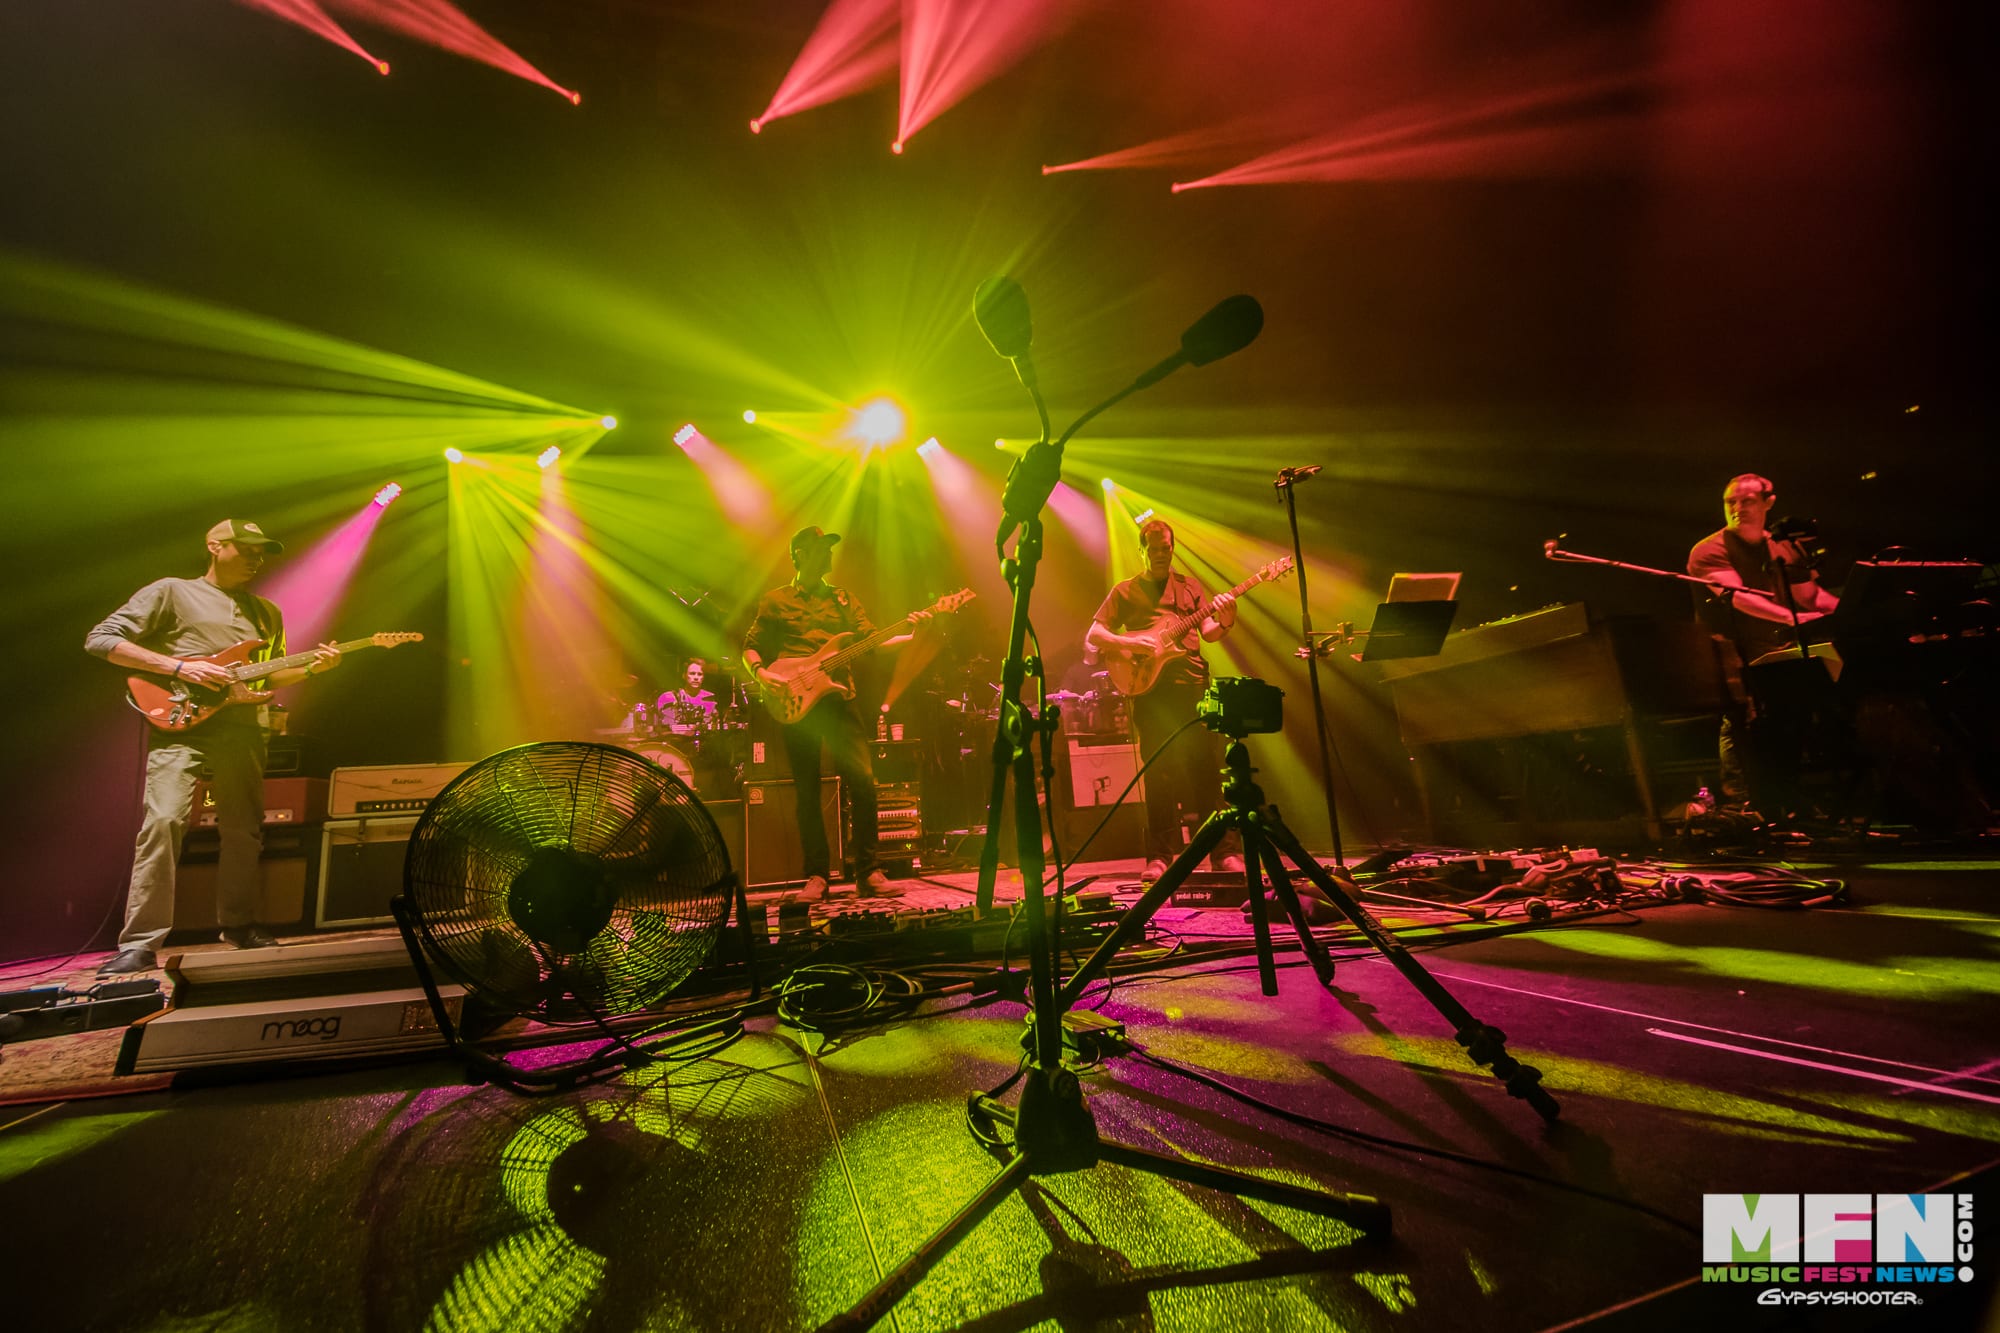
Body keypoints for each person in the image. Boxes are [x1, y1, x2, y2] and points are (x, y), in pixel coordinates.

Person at [85, 521, 341, 975]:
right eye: (246, 549)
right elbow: (101, 640)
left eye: (261, 552)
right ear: (214, 546)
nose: (256, 558)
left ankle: (239, 925)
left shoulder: (266, 612)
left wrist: (313, 668)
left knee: (244, 829)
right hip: (180, 726)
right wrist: (179, 667)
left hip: (242, 730)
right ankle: (140, 943)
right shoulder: (172, 591)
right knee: (163, 821)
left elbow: (267, 673)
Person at [741, 526, 923, 900]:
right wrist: (762, 675)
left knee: (864, 781)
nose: (829, 554)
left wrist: (912, 635)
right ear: (799, 554)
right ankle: (817, 876)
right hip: (797, 701)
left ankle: (868, 872)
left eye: (830, 548)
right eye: (821, 548)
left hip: (840, 698)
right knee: (807, 790)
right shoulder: (776, 600)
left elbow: (873, 641)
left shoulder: (843, 599)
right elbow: (750, 646)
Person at [1084, 519, 1241, 881]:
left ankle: (1224, 853)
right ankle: (1159, 857)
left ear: (1173, 549)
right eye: (1153, 549)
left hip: (1193, 686)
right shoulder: (1125, 591)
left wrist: (1226, 621)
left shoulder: (1190, 587)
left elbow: (1208, 632)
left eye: (1166, 548)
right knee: (1159, 774)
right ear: (1142, 551)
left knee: (1207, 770)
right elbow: (1095, 633)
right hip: (1151, 692)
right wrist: (1129, 642)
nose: (1160, 554)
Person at [1687, 474, 1840, 808]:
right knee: (1742, 721)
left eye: (1748, 501)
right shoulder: (1708, 549)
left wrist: (1851, 609)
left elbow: (1811, 597)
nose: (1738, 508)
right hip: (1731, 655)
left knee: (1794, 716)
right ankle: (1745, 804)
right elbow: (1738, 597)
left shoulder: (1784, 546)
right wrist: (1791, 618)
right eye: (1731, 502)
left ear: (1769, 503)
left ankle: (1788, 799)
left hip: (1779, 652)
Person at [657, 657, 719, 731]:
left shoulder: (710, 698)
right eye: (692, 673)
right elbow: (666, 728)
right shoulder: (669, 697)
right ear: (684, 675)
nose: (696, 677)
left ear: (703, 677)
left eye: (700, 674)